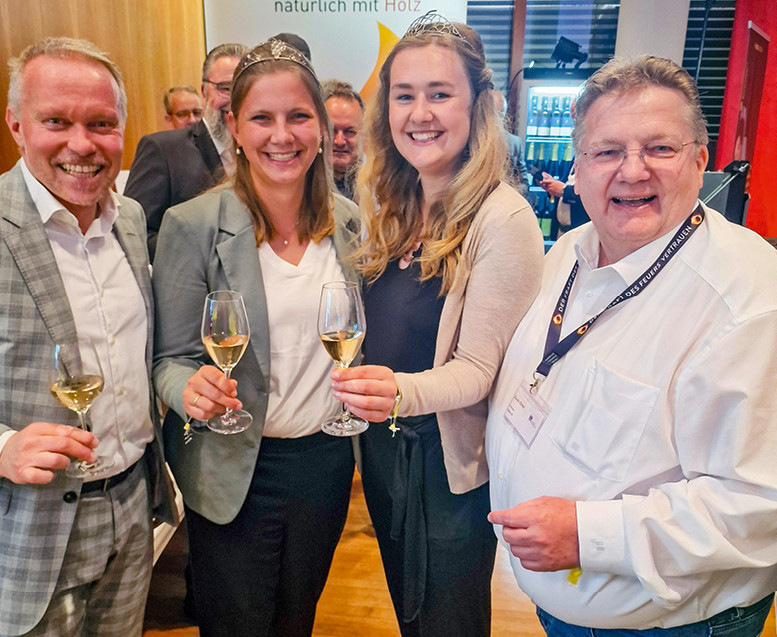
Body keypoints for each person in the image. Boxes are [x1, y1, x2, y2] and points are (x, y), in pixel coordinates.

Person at [486, 55, 777, 635]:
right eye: (607, 151)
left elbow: (759, 505)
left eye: (659, 149)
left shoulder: (748, 301)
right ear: (579, 167)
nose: (632, 171)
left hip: (670, 624)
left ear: (700, 161)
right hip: (563, 600)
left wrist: (587, 536)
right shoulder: (568, 251)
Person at [330, 13, 544, 636]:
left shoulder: (502, 219)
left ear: (477, 106)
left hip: (446, 470)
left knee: (448, 622)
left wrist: (397, 391)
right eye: (404, 96)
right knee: (410, 615)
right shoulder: (396, 204)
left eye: (440, 94)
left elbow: (479, 371)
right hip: (386, 450)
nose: (420, 113)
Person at [152, 39, 360, 637]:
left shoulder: (348, 223)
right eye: (262, 118)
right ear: (235, 129)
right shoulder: (193, 224)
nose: (282, 135)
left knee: (298, 618)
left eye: (298, 116)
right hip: (232, 463)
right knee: (235, 623)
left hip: (322, 463)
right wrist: (187, 389)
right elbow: (168, 359)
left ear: (320, 128)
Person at [0, 36, 176, 636]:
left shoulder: (129, 218)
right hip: (28, 525)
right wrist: (3, 447)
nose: (81, 144)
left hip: (133, 504)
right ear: (17, 124)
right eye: (56, 121)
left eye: (101, 124)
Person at [124, 43, 248, 260]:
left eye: (244, 89)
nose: (235, 100)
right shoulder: (163, 150)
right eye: (225, 88)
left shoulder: (262, 155)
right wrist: (200, 257)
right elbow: (133, 233)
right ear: (204, 92)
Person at [322, 79, 364, 200]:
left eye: (349, 132)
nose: (339, 141)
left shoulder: (381, 191)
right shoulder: (298, 189)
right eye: (332, 131)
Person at [493, 89, 529, 196]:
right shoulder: (469, 141)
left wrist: (512, 193)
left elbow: (524, 183)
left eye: (500, 113)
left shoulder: (514, 142)